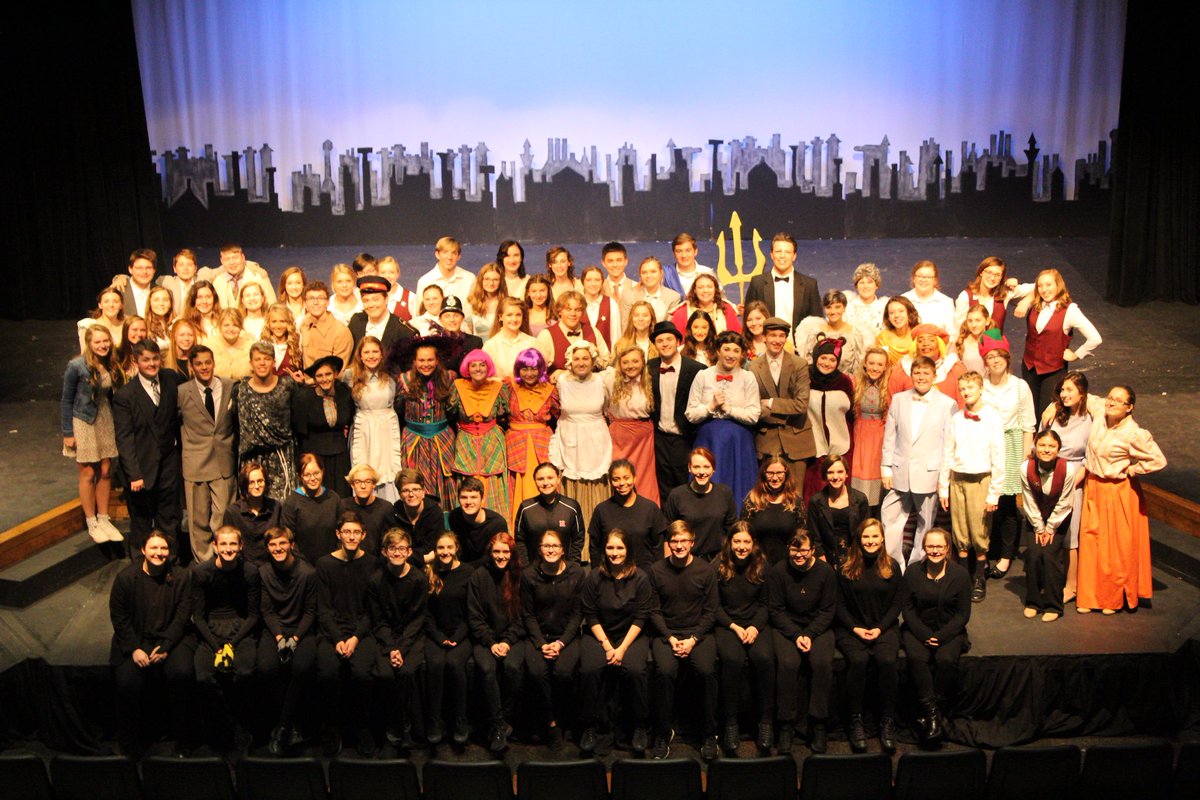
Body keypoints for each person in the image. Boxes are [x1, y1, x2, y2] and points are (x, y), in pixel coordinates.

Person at [1078, 385, 1166, 615]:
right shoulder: (1100, 413)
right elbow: (1083, 395)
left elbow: (1158, 459)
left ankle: (1112, 598)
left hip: (1117, 491)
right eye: (1110, 398)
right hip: (1094, 486)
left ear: (1129, 408)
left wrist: (1133, 469)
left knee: (1113, 547)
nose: (1111, 402)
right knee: (1091, 541)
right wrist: (1051, 407)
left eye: (1118, 400)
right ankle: (1090, 596)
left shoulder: (1133, 433)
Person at [109, 531, 194, 756]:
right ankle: (130, 746)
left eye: (163, 548)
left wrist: (166, 646)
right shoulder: (126, 578)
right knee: (127, 682)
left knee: (181, 673)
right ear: (143, 551)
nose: (159, 553)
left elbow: (183, 615)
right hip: (136, 641)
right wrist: (134, 649)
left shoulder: (182, 576)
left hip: (171, 639)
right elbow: (119, 617)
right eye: (154, 548)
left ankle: (183, 742)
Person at [648, 520, 721, 760]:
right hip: (667, 634)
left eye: (683, 541)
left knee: (706, 670)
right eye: (674, 542)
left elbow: (711, 612)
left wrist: (693, 639)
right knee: (664, 672)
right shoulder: (656, 570)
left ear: (692, 542)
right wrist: (670, 638)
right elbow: (654, 611)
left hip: (697, 634)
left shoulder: (705, 570)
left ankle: (709, 733)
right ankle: (661, 732)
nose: (679, 546)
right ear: (668, 544)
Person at [578, 529, 655, 757]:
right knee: (589, 670)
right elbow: (590, 614)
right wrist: (607, 646)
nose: (615, 552)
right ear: (604, 550)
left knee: (634, 671)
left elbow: (642, 616)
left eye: (619, 547)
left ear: (628, 550)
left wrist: (620, 649)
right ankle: (589, 728)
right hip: (600, 634)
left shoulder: (640, 577)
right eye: (610, 548)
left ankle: (639, 727)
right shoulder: (594, 576)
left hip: (631, 635)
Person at [880, 355, 957, 569]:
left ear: (934, 376)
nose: (921, 377)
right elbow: (890, 436)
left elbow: (949, 443)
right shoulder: (899, 399)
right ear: (911, 375)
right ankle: (895, 564)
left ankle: (916, 566)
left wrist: (943, 478)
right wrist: (885, 467)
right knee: (890, 514)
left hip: (929, 472)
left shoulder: (948, 404)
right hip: (900, 470)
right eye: (917, 373)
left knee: (926, 523)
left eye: (926, 373)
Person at [188, 526, 261, 752]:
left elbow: (253, 615)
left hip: (240, 630)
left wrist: (231, 643)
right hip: (210, 632)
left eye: (233, 544)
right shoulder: (202, 573)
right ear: (215, 546)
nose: (228, 549)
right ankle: (221, 727)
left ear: (241, 546)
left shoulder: (250, 572)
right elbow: (198, 617)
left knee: (246, 672)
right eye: (224, 544)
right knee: (203, 678)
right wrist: (217, 646)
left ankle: (244, 727)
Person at [315, 511, 379, 756]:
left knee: (362, 674)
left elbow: (372, 610)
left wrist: (354, 638)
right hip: (332, 632)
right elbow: (324, 610)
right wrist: (338, 639)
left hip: (361, 631)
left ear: (363, 535)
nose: (351, 537)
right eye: (346, 532)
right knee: (328, 673)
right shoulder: (324, 564)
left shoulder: (372, 563)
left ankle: (363, 729)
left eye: (356, 532)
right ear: (338, 534)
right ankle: (331, 729)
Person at [835, 518, 903, 754]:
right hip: (851, 629)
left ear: (882, 538)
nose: (871, 541)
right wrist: (855, 628)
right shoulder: (845, 566)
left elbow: (896, 604)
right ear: (859, 539)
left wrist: (880, 628)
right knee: (858, 661)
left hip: (883, 628)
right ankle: (855, 721)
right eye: (866, 537)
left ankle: (887, 720)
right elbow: (839, 605)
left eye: (875, 536)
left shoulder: (892, 567)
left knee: (886, 661)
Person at [768, 531, 837, 754]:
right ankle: (786, 725)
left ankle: (818, 724)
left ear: (812, 550)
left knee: (822, 663)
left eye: (803, 550)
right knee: (788, 663)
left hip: (818, 627)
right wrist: (797, 635)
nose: (799, 554)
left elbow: (828, 610)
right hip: (788, 627)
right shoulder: (779, 570)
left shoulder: (826, 572)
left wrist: (810, 633)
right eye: (795, 550)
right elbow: (776, 610)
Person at [112, 340, 183, 556]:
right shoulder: (126, 395)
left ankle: (170, 564)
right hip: (141, 470)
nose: (152, 364)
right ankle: (141, 572)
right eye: (146, 360)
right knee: (142, 524)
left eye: (155, 358)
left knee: (170, 518)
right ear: (136, 362)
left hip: (169, 463)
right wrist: (134, 474)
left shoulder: (171, 379)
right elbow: (125, 438)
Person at [901, 527, 971, 746]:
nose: (934, 550)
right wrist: (924, 635)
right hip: (917, 629)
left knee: (946, 659)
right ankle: (934, 716)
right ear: (924, 548)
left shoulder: (960, 575)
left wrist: (940, 636)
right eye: (930, 546)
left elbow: (962, 614)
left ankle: (931, 715)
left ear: (947, 548)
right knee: (917, 658)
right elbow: (907, 609)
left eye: (939, 546)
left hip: (948, 631)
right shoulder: (912, 573)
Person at [939, 370, 1005, 601]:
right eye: (963, 389)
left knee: (979, 532)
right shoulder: (956, 418)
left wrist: (994, 494)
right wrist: (943, 487)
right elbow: (947, 453)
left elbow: (999, 457)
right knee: (959, 531)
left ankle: (979, 577)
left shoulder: (993, 418)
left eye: (970, 388)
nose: (966, 392)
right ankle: (965, 578)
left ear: (980, 389)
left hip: (980, 480)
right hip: (958, 478)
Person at [712, 521, 774, 755]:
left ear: (753, 543)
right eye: (737, 541)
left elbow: (766, 604)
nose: (741, 546)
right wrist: (736, 627)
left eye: (746, 541)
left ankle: (766, 723)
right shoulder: (718, 565)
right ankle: (730, 724)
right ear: (730, 542)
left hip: (756, 625)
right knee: (732, 660)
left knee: (765, 658)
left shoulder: (762, 564)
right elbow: (714, 607)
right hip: (729, 625)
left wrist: (755, 628)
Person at [1041, 371, 1103, 602]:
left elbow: (1091, 455)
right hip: (1049, 473)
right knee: (1046, 529)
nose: (1064, 394)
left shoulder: (1092, 418)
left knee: (1071, 535)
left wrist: (1071, 483)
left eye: (1070, 390)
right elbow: (1041, 442)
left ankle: (1072, 584)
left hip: (1075, 477)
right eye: (1062, 390)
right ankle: (1047, 578)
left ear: (1082, 393)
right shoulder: (1054, 414)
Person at [979, 331, 1036, 583]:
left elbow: (1028, 424)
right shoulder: (980, 385)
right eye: (990, 357)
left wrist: (1025, 456)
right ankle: (988, 548)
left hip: (1012, 444)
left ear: (1007, 357)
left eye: (999, 356)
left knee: (1008, 504)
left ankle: (1005, 554)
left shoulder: (1019, 386)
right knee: (988, 500)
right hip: (987, 445)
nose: (995, 361)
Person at [520, 529, 585, 749]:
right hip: (539, 637)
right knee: (537, 673)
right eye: (546, 546)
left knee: (564, 673)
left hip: (566, 637)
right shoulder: (528, 575)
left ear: (563, 549)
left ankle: (567, 719)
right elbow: (527, 614)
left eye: (555, 546)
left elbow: (578, 614)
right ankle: (550, 723)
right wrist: (542, 643)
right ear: (539, 549)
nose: (551, 550)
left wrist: (560, 643)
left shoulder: (576, 573)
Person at [256, 526, 318, 756]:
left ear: (291, 545)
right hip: (275, 631)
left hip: (301, 630)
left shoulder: (308, 573)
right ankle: (288, 724)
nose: (278, 548)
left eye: (282, 543)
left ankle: (284, 726)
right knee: (266, 668)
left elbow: (311, 612)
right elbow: (267, 610)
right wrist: (280, 637)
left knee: (301, 668)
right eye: (273, 544)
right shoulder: (262, 573)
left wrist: (294, 638)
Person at [63, 324, 126, 544]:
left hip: (105, 418)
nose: (102, 345)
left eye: (105, 341)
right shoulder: (76, 366)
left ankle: (104, 517)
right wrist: (67, 432)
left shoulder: (112, 362)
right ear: (89, 343)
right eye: (97, 342)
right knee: (89, 472)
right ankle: (91, 521)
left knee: (106, 469)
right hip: (83, 421)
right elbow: (66, 400)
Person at [367, 529, 428, 752]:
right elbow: (378, 620)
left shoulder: (418, 579)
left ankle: (406, 722)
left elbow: (417, 619)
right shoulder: (376, 580)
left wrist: (401, 648)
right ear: (384, 552)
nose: (397, 552)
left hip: (411, 637)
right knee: (383, 673)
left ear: (409, 551)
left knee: (407, 672)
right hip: (386, 637)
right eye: (392, 548)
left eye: (402, 548)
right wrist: (391, 648)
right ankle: (391, 723)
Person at [1015, 268, 1103, 417]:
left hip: (1052, 370)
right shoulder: (1035, 304)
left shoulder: (1069, 311)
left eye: (1049, 285)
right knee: (1029, 413)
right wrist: (1020, 292)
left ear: (1058, 285)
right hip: (1030, 366)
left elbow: (1095, 338)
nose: (1044, 290)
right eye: (1040, 286)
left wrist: (1076, 354)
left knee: (1047, 413)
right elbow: (1018, 291)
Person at [686, 331, 761, 505]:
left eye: (736, 350)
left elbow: (754, 414)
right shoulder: (703, 376)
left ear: (741, 354)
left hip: (738, 443)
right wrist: (710, 407)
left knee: (739, 487)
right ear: (718, 351)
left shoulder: (748, 378)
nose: (731, 355)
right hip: (709, 441)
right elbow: (690, 414)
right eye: (726, 349)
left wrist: (729, 409)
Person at [468, 531, 526, 753]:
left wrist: (507, 642)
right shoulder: (478, 576)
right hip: (486, 639)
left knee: (512, 667)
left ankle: (505, 718)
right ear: (490, 553)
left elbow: (523, 618)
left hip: (513, 638)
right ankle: (498, 725)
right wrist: (491, 642)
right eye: (497, 551)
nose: (501, 556)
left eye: (505, 552)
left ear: (511, 554)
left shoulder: (520, 576)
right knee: (485, 668)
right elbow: (475, 617)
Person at [178, 344, 236, 562]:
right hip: (196, 462)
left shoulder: (230, 386)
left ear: (214, 362)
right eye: (199, 364)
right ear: (192, 366)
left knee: (224, 513)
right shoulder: (183, 392)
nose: (204, 367)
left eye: (208, 362)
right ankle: (204, 561)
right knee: (198, 518)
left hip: (223, 461)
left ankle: (224, 556)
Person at [548, 341, 612, 534]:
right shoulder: (562, 381)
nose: (581, 363)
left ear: (592, 360)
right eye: (576, 359)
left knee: (595, 483)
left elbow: (607, 407)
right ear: (570, 361)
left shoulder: (602, 381)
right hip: (570, 436)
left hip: (595, 436)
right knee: (571, 482)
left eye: (585, 358)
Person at [748, 316, 815, 490]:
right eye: (772, 335)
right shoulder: (753, 367)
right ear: (764, 337)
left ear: (786, 339)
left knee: (795, 497)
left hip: (796, 439)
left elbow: (801, 405)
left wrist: (770, 403)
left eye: (781, 336)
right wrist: (785, 407)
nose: (777, 340)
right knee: (767, 496)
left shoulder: (799, 365)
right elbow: (753, 408)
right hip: (766, 441)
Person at [423, 532, 475, 747]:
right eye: (440, 548)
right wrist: (439, 637)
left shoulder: (468, 572)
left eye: (449, 547)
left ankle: (460, 721)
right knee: (435, 664)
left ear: (456, 549)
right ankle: (435, 721)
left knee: (455, 664)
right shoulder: (429, 572)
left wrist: (456, 638)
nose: (445, 552)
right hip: (435, 634)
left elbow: (472, 611)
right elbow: (425, 613)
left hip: (461, 634)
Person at [1020, 430, 1078, 622]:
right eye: (1042, 445)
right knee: (1035, 554)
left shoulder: (1067, 469)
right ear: (1035, 447)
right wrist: (1039, 527)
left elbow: (1065, 501)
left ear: (1058, 448)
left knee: (1050, 556)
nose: (1046, 450)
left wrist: (1050, 527)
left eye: (1051, 446)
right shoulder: (1026, 468)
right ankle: (1033, 602)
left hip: (1058, 518)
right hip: (1035, 516)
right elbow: (1028, 500)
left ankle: (1054, 605)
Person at [394, 338, 458, 506]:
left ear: (437, 360)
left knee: (444, 482)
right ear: (414, 361)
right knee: (414, 480)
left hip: (442, 438)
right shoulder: (404, 379)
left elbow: (452, 410)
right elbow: (399, 408)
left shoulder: (448, 377)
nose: (426, 364)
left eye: (430, 359)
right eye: (421, 360)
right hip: (414, 439)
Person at [449, 349, 512, 518]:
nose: (478, 369)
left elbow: (506, 413)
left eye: (482, 365)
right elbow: (450, 411)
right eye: (473, 365)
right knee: (466, 482)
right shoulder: (458, 387)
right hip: (466, 442)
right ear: (467, 368)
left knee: (493, 484)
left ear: (488, 367)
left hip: (491, 441)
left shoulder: (498, 387)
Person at [648, 321, 704, 501]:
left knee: (686, 484)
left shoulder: (696, 369)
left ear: (678, 341)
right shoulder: (648, 368)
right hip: (660, 437)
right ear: (655, 345)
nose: (665, 344)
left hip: (685, 437)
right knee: (664, 487)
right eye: (660, 340)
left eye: (669, 339)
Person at [234, 342, 298, 502]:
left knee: (282, 503)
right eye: (258, 359)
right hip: (253, 457)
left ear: (274, 362)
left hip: (281, 455)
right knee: (253, 503)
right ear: (251, 363)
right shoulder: (241, 390)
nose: (262, 363)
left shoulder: (287, 385)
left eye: (267, 359)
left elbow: (297, 418)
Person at [344, 337, 404, 503]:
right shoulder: (350, 376)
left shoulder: (392, 374)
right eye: (367, 352)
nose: (371, 356)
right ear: (360, 356)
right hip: (364, 427)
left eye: (375, 351)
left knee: (389, 469)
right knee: (364, 467)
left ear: (382, 354)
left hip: (387, 426)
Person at [604, 344, 660, 505]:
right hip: (620, 436)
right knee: (620, 475)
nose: (630, 366)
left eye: (635, 361)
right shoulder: (610, 380)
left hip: (644, 437)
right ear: (619, 364)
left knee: (644, 479)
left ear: (643, 362)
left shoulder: (650, 381)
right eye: (626, 362)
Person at [588, 460, 670, 568]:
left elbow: (658, 548)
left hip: (645, 577)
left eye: (626, 478)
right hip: (610, 577)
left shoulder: (650, 508)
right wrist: (598, 576)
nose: (622, 483)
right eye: (616, 479)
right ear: (610, 481)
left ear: (634, 478)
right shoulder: (601, 510)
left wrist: (656, 577)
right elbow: (595, 549)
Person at [506, 348, 559, 514]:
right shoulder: (509, 387)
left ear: (541, 369)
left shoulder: (550, 390)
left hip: (541, 444)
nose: (529, 373)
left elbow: (560, 414)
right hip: (515, 443)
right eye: (525, 369)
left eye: (534, 369)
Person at [292, 354, 354, 499]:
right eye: (319, 375)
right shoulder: (304, 398)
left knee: (341, 496)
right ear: (314, 378)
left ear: (335, 374)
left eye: (328, 374)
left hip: (340, 456)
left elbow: (349, 419)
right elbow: (299, 431)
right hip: (315, 456)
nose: (324, 379)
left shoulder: (344, 394)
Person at [662, 447, 737, 561]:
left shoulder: (724, 493)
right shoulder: (677, 495)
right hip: (686, 561)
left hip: (718, 561)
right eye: (696, 467)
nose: (702, 472)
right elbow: (668, 534)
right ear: (689, 468)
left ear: (713, 469)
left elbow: (732, 530)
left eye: (706, 467)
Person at [804, 335, 855, 500]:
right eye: (823, 357)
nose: (827, 363)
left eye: (832, 359)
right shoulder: (805, 378)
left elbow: (851, 413)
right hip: (813, 450)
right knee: (813, 495)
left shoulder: (844, 382)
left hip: (841, 447)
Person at [743, 233, 822, 330]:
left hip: (799, 344)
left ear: (794, 256)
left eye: (787, 252)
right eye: (778, 251)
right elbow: (748, 319)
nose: (782, 256)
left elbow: (817, 322)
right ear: (771, 255)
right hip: (765, 344)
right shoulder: (757, 283)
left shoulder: (809, 285)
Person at [806, 454, 871, 569]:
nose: (835, 477)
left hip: (855, 557)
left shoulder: (860, 499)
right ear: (825, 475)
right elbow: (813, 534)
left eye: (840, 472)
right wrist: (822, 561)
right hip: (827, 558)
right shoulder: (816, 501)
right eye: (830, 472)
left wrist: (859, 558)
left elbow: (866, 531)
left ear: (846, 474)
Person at [514, 462, 585, 565]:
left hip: (564, 571)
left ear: (558, 479)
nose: (545, 482)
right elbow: (520, 541)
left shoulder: (571, 507)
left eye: (550, 478)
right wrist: (526, 568)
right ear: (535, 481)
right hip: (535, 571)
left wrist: (572, 566)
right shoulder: (526, 508)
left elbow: (578, 539)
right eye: (540, 479)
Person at [741, 456, 807, 565]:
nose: (775, 478)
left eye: (779, 473)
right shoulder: (752, 500)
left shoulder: (796, 501)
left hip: (788, 564)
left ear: (786, 474)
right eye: (770, 473)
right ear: (763, 474)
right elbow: (744, 533)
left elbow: (803, 535)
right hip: (757, 563)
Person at [850, 347, 891, 511]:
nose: (875, 368)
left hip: (880, 435)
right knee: (860, 473)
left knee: (876, 473)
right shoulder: (855, 383)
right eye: (872, 363)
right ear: (865, 365)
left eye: (880, 364)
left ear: (886, 367)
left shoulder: (889, 386)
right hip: (860, 434)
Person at [282, 453, 342, 564]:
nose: (313, 478)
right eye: (307, 475)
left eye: (316, 473)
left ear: (322, 472)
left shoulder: (333, 498)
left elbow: (341, 531)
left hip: (332, 564)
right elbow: (287, 538)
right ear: (300, 476)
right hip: (302, 566)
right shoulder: (292, 502)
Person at [888, 323, 966, 407]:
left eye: (931, 340)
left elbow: (964, 404)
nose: (925, 344)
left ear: (939, 344)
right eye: (920, 341)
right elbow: (892, 406)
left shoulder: (955, 369)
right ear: (915, 346)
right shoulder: (902, 370)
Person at [536, 290, 609, 375]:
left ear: (582, 312)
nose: (573, 314)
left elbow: (606, 362)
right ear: (559, 311)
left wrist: (596, 357)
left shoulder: (593, 331)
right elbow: (537, 370)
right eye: (568, 309)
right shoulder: (546, 335)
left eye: (577, 310)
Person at [795, 290, 866, 375]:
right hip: (817, 384)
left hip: (845, 384)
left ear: (844, 307)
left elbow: (858, 367)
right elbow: (808, 362)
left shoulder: (854, 335)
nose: (832, 311)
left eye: (837, 307)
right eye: (828, 307)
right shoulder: (815, 332)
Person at [223, 461, 281, 563]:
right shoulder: (232, 512)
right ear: (245, 485)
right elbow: (228, 544)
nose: (257, 486)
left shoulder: (276, 507)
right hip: (243, 569)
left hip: (270, 567)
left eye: (260, 481)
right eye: (251, 482)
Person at [952, 256, 1023, 337]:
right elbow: (958, 329)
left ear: (1002, 278)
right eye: (989, 272)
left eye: (997, 275)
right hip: (972, 347)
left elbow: (1036, 288)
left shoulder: (1004, 293)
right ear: (981, 272)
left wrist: (1025, 302)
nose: (992, 278)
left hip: (996, 347)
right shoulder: (966, 297)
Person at [448, 477, 510, 565]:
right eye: (464, 497)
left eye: (473, 497)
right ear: (458, 499)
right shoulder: (454, 517)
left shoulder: (497, 524)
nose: (468, 502)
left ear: (482, 499)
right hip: (463, 569)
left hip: (489, 570)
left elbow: (494, 558)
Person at [391, 468, 445, 567]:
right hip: (400, 566)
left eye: (416, 489)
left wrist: (406, 555)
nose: (411, 494)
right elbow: (392, 550)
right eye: (405, 490)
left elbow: (432, 547)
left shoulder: (435, 513)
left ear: (423, 492)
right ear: (399, 494)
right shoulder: (393, 513)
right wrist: (424, 558)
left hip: (431, 566)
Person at [348, 275, 415, 354]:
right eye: (366, 300)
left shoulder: (404, 331)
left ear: (386, 299)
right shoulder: (356, 321)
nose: (371, 305)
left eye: (375, 299)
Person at [340, 464, 395, 556]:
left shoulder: (386, 508)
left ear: (374, 484)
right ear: (352, 485)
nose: (363, 486)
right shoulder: (343, 505)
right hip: (348, 560)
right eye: (358, 482)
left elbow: (389, 540)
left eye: (368, 482)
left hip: (377, 562)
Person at [299, 280, 354, 371]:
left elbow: (337, 373)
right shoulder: (304, 326)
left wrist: (309, 382)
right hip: (305, 383)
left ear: (328, 302)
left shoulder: (340, 332)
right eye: (311, 298)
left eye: (320, 298)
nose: (315, 302)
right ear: (305, 304)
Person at [484, 296, 538, 379]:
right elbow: (486, 377)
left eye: (518, 315)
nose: (514, 319)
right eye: (509, 315)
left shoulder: (532, 343)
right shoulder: (490, 345)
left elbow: (538, 372)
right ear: (500, 317)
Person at [670, 273, 740, 337]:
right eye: (700, 287)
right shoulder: (682, 312)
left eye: (709, 287)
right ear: (694, 290)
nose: (705, 290)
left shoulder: (726, 309)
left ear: (715, 289)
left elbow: (736, 338)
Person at [415, 236, 475, 308]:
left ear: (459, 256)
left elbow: (476, 311)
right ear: (437, 254)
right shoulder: (425, 281)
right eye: (445, 252)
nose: (449, 257)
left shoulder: (470, 279)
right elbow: (418, 314)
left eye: (454, 253)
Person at [619, 256, 681, 325]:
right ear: (640, 275)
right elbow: (626, 328)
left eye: (653, 271)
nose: (648, 275)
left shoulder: (673, 297)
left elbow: (671, 328)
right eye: (644, 272)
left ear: (661, 273)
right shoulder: (629, 297)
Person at [212, 243, 276, 310]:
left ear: (243, 257)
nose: (231, 262)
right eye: (227, 259)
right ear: (221, 261)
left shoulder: (259, 278)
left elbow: (272, 307)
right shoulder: (218, 282)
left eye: (235, 257)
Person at [901, 260, 955, 333]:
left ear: (935, 280)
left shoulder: (946, 302)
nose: (923, 280)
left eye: (928, 277)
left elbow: (952, 333)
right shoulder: (902, 300)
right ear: (913, 278)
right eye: (919, 276)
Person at [435, 295, 484, 373]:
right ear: (440, 320)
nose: (452, 320)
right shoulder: (434, 344)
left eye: (456, 316)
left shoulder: (475, 343)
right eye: (447, 316)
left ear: (462, 318)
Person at [661, 232, 715, 297]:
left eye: (688, 250)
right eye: (679, 251)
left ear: (695, 251)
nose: (684, 255)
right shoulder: (665, 274)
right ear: (674, 254)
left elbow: (719, 300)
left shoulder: (707, 272)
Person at [844, 263, 889, 340]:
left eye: (869, 282)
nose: (865, 286)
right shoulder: (847, 307)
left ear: (877, 285)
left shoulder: (885, 308)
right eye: (862, 282)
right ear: (856, 286)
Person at [581, 264, 620, 351]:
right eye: (589, 280)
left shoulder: (611, 303)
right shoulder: (577, 303)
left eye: (597, 280)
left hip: (606, 358)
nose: (593, 284)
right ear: (583, 282)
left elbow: (615, 336)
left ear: (602, 282)